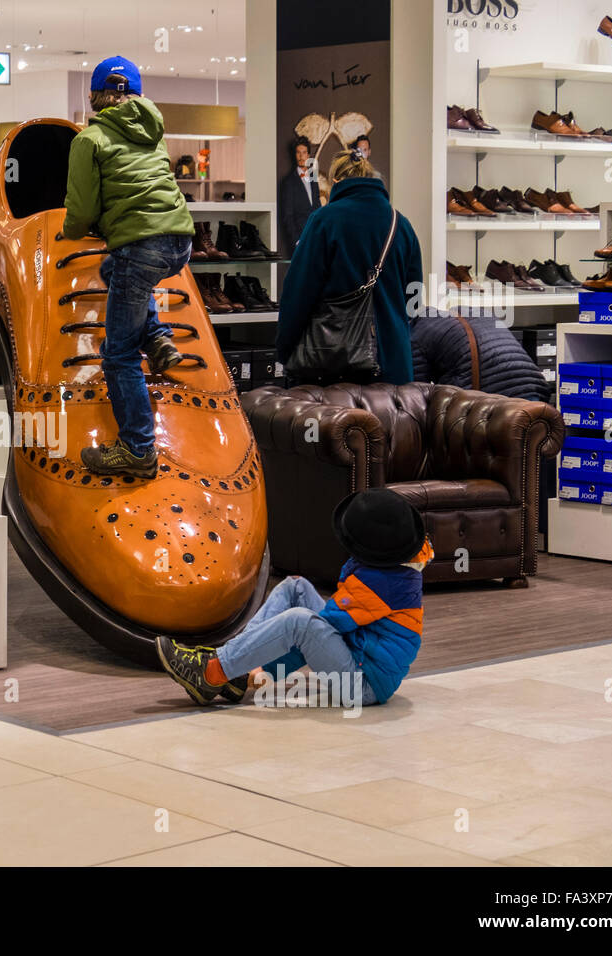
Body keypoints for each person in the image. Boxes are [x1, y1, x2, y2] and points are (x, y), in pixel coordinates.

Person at [157, 488, 432, 708]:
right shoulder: (394, 565)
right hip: (357, 654)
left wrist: (265, 675)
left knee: (301, 623)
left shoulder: (382, 583)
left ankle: (213, 673)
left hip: (363, 686)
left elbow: (314, 633)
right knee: (295, 587)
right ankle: (235, 669)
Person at [63, 55, 194, 479]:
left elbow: (81, 209)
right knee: (113, 272)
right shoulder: (153, 130)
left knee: (118, 355)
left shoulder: (89, 139)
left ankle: (137, 449)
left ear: (96, 96)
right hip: (180, 239)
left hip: (142, 246)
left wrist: (70, 231)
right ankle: (157, 338)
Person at [276, 150, 424, 385]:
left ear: (336, 181)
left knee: (340, 424)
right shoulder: (402, 224)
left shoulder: (324, 220)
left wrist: (284, 351)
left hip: (336, 365)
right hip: (394, 369)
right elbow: (413, 301)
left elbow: (298, 294)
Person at [411, 308, 552, 401]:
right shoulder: (475, 313)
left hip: (490, 399)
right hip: (536, 388)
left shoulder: (417, 332)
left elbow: (416, 394)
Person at [278, 136, 319, 254]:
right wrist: (297, 241)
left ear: (308, 155)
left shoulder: (313, 177)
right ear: (295, 155)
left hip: (316, 237)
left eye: (304, 153)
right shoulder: (288, 182)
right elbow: (287, 216)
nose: (301, 156)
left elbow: (316, 206)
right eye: (298, 153)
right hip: (300, 240)